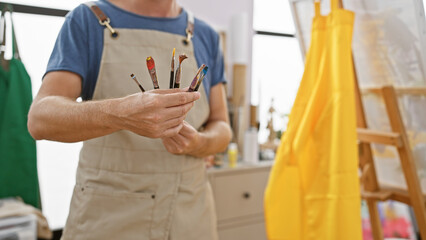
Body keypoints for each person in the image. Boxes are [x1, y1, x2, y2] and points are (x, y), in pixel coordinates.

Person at [27, 0, 232, 239]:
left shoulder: (205, 35)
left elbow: (223, 127)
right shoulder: (88, 21)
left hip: (191, 218)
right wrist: (122, 113)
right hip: (107, 221)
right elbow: (40, 119)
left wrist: (199, 143)